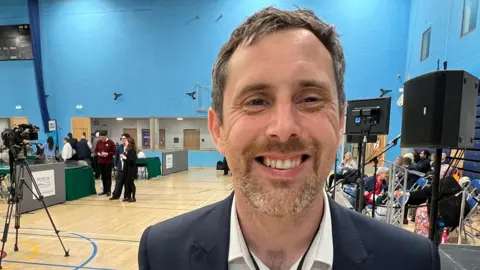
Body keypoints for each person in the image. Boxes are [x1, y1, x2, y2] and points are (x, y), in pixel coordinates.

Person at [138, 7, 440, 270]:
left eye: (310, 99)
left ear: (339, 123)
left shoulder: (411, 261)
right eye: (256, 101)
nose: (283, 128)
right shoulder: (162, 254)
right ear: (218, 129)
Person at [94, 131, 116, 196]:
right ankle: (104, 190)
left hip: (108, 162)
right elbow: (96, 150)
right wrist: (98, 153)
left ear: (106, 136)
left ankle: (108, 190)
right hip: (101, 161)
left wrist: (107, 154)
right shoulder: (99, 142)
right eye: (101, 137)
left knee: (108, 176)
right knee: (103, 176)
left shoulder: (111, 142)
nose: (102, 139)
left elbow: (114, 152)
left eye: (103, 137)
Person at [111, 133, 130, 200]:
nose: (122, 140)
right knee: (118, 182)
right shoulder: (119, 147)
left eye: (124, 138)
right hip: (120, 167)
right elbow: (116, 156)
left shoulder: (130, 147)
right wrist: (115, 165)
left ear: (127, 139)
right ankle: (115, 195)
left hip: (127, 168)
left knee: (127, 183)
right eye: (121, 138)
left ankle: (126, 196)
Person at [120, 136, 137, 202]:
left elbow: (132, 161)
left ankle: (133, 197)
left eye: (126, 141)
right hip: (126, 168)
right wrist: (123, 157)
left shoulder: (132, 150)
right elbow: (126, 159)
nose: (125, 142)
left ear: (129, 142)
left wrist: (125, 158)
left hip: (131, 169)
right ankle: (128, 196)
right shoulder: (127, 149)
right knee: (126, 183)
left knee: (131, 183)